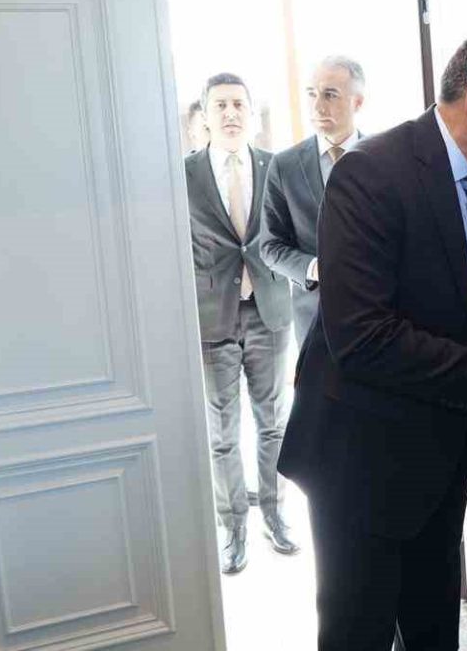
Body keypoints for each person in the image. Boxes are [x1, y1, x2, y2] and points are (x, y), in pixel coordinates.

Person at [278, 32, 467, 650]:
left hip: (443, 455)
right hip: (361, 466)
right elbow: (361, 338)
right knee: (359, 634)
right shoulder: (369, 175)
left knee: (434, 631)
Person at [186, 73, 299, 574]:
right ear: (205, 116)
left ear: (251, 113)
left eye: (238, 104)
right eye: (221, 105)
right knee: (222, 432)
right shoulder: (183, 173)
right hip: (212, 317)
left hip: (269, 311)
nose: (230, 113)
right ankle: (232, 526)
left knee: (273, 424)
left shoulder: (276, 167)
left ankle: (274, 514)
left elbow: (289, 235)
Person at [258, 56, 367, 345]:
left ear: (357, 102)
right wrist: (314, 269)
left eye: (330, 95)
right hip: (314, 321)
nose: (318, 106)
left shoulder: (385, 158)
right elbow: (270, 246)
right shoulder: (284, 166)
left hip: (380, 314)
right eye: (311, 94)